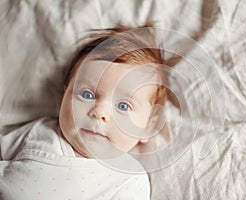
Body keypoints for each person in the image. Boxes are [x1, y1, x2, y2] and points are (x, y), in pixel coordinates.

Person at [0, 24, 169, 200]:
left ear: (149, 127)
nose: (99, 111)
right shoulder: (40, 130)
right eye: (87, 94)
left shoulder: (129, 179)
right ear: (63, 98)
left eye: (123, 106)